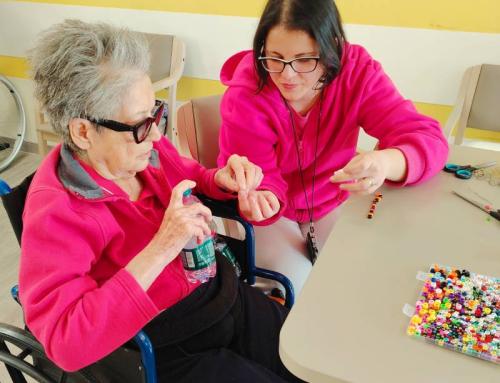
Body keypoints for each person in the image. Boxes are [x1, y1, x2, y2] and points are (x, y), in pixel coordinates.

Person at [19, 19, 302, 383]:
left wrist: (220, 179)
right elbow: (65, 342)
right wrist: (162, 246)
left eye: (155, 114)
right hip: (168, 344)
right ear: (83, 131)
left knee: (310, 360)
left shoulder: (143, 148)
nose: (155, 134)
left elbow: (190, 174)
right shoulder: (57, 212)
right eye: (141, 124)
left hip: (219, 294)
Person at [217, 0, 449, 295]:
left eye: (304, 60)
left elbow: (427, 138)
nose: (287, 75)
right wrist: (261, 197)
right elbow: (262, 180)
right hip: (274, 215)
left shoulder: (357, 72)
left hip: (330, 202)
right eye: (275, 57)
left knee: (359, 280)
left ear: (332, 49)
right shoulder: (248, 91)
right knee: (299, 289)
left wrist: (385, 163)